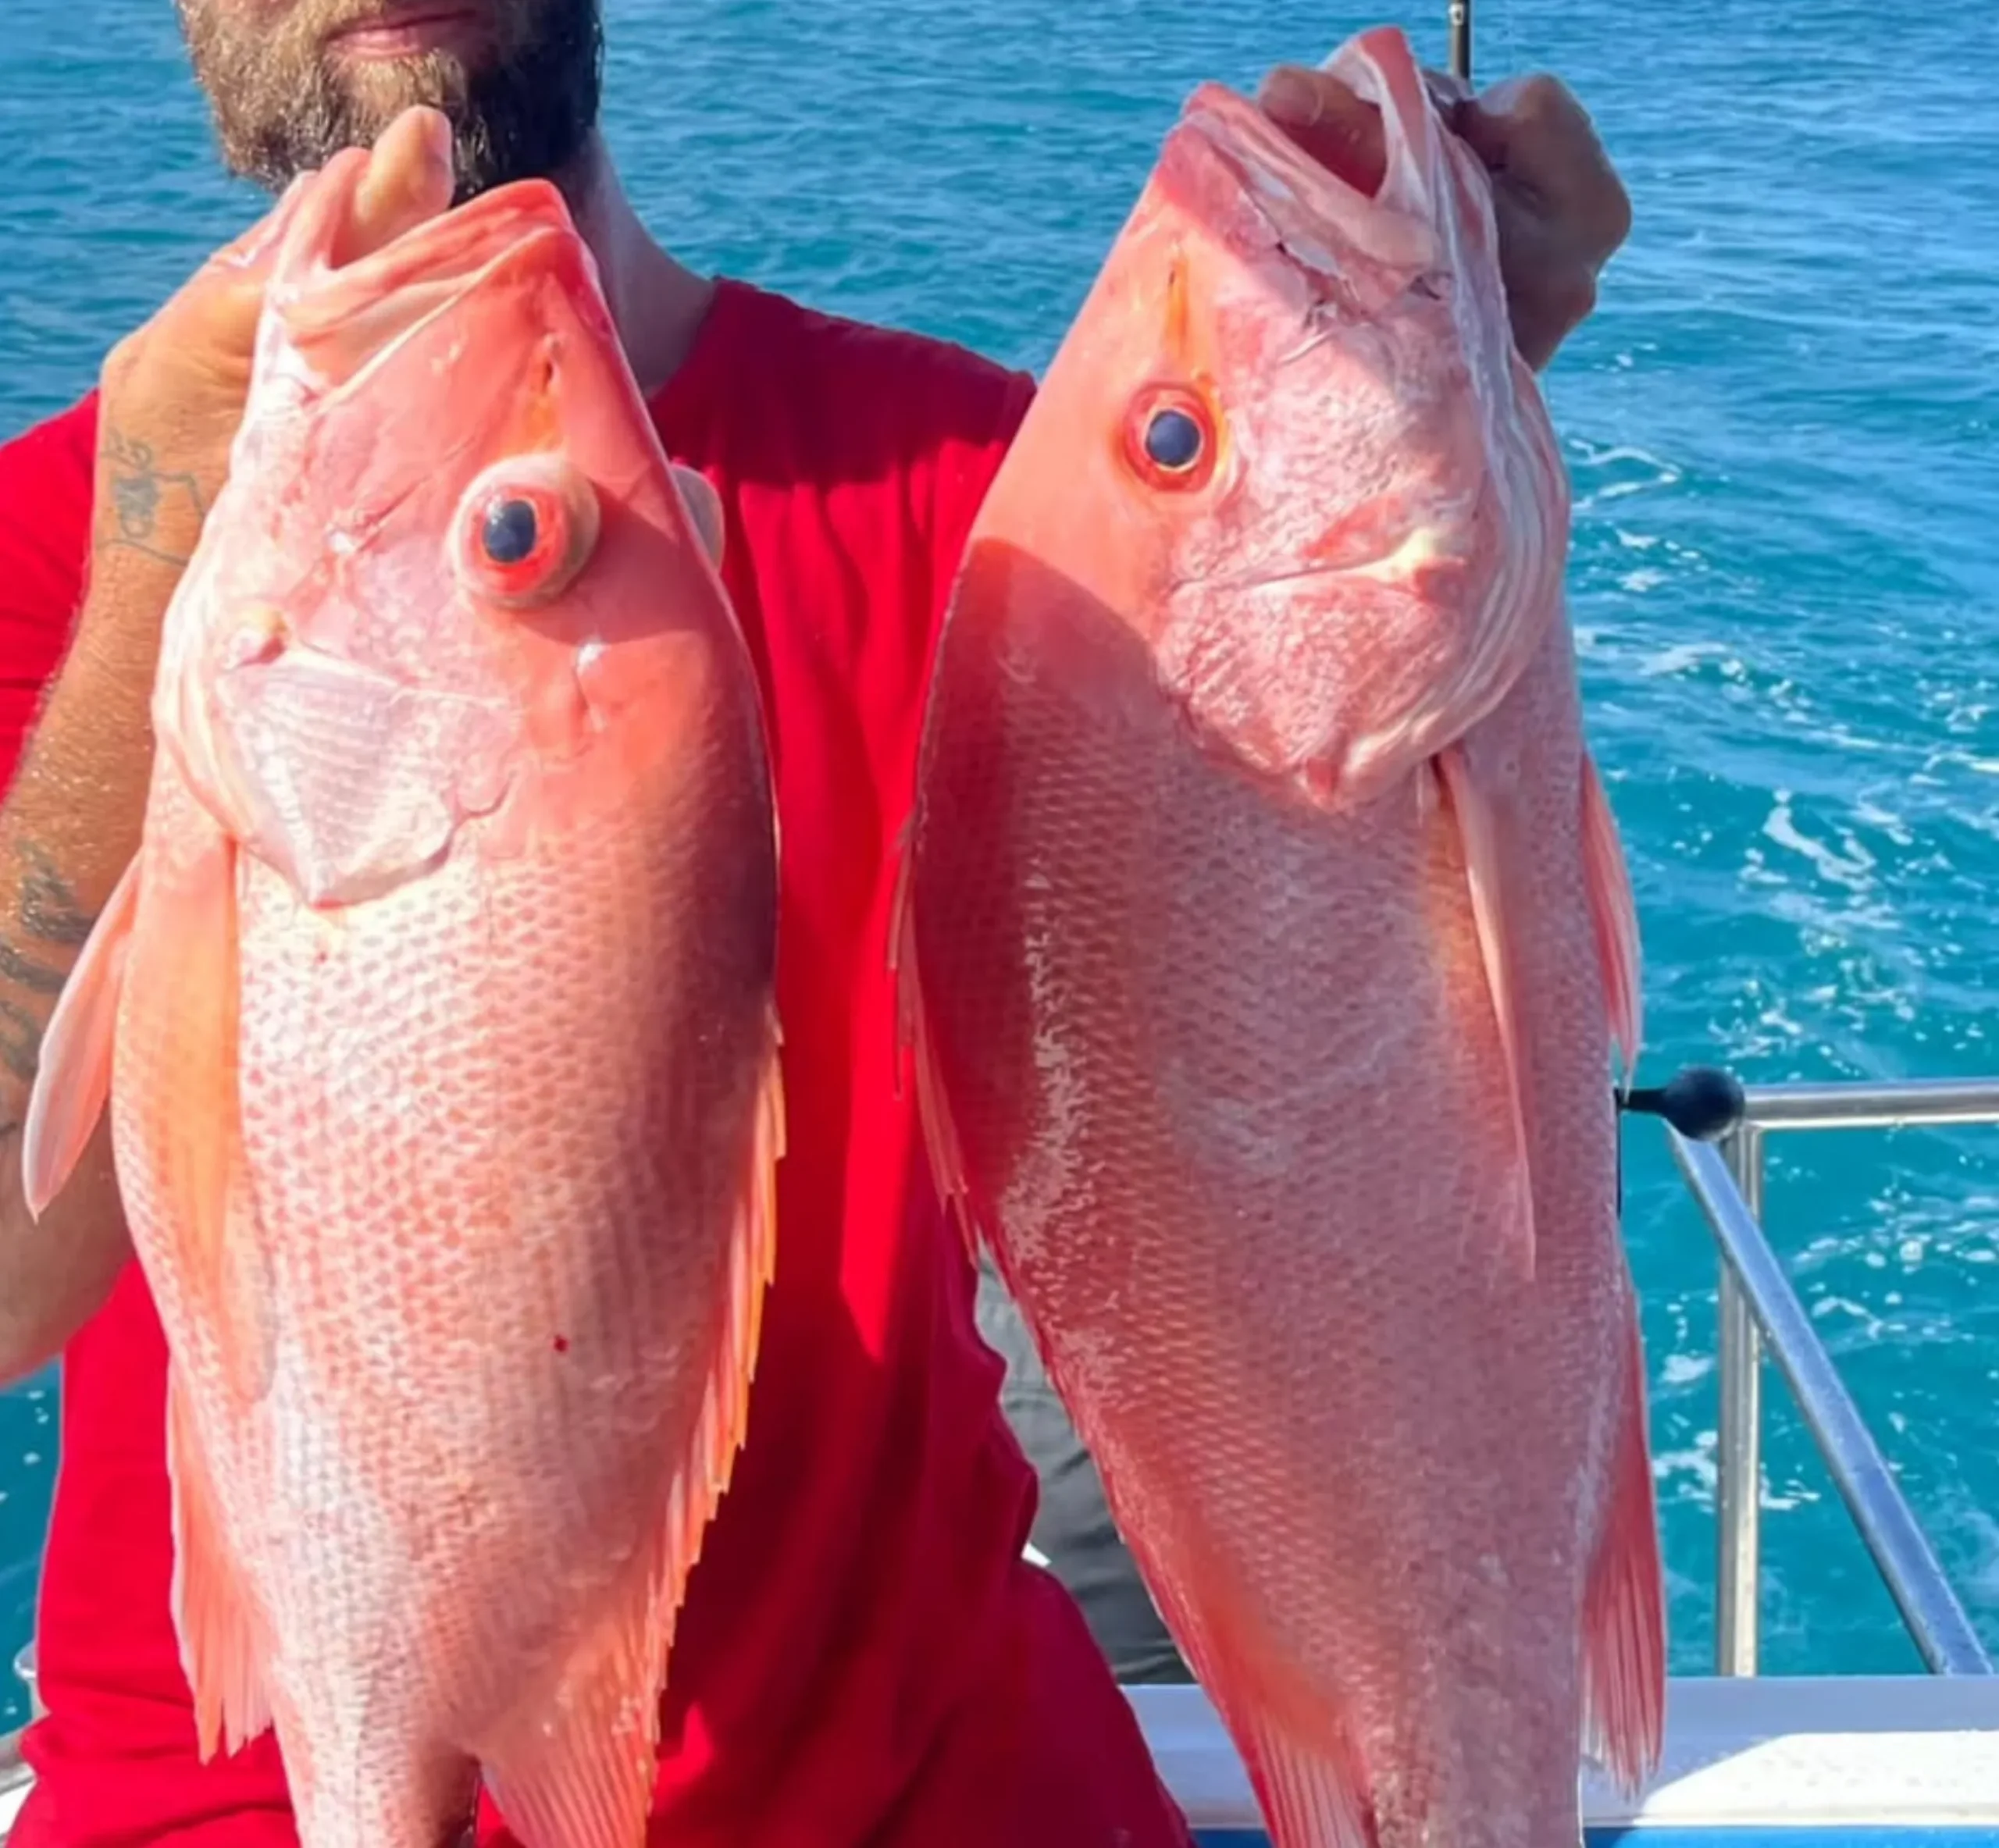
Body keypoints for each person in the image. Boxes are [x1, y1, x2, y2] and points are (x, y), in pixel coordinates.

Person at [0, 2, 1633, 1843]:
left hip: (934, 1783)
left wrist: (1444, 375)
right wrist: (157, 562)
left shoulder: (988, 507)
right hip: (247, 1790)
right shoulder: (60, 546)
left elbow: (1305, 1008)